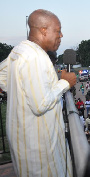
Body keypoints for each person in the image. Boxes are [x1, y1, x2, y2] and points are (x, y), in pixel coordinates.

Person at [0, 9, 76, 176]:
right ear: (43, 30)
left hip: (25, 142)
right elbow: (40, 104)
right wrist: (65, 82)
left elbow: (2, 80)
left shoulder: (19, 50)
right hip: (40, 150)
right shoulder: (35, 56)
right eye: (58, 30)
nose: (61, 35)